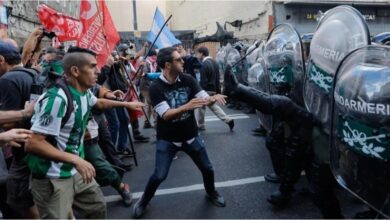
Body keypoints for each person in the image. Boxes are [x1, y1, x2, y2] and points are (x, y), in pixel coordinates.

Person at [24, 47, 144, 219]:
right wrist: (76, 159)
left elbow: (98, 103)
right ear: (75, 71)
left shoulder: (84, 92)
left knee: (97, 207)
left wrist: (126, 105)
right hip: (52, 178)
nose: (98, 71)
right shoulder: (57, 99)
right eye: (92, 66)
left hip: (75, 171)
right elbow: (33, 143)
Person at [133, 47, 227, 218]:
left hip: (191, 137)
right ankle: (143, 201)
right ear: (168, 65)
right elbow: (166, 114)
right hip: (168, 141)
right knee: (159, 175)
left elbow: (202, 96)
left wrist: (211, 98)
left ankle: (211, 192)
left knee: (208, 168)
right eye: (178, 60)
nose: (183, 61)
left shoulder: (188, 79)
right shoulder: (156, 87)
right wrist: (188, 106)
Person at [0, 39, 40, 219]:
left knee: (17, 198)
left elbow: (8, 123)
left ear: (2, 60)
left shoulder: (7, 80)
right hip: (34, 144)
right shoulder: (32, 73)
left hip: (19, 148)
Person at [195, 46, 234, 131]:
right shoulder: (214, 62)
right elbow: (218, 78)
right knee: (212, 106)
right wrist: (218, 91)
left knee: (202, 106)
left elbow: (203, 80)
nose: (197, 56)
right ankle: (228, 120)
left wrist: (201, 91)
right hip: (213, 89)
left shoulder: (203, 64)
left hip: (206, 90)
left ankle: (201, 125)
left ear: (201, 54)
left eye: (197, 54)